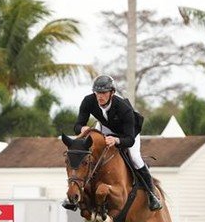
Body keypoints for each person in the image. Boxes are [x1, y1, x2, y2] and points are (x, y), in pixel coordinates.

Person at [66, 75, 162, 212]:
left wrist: (116, 140)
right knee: (86, 154)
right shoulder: (88, 101)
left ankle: (152, 195)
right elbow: (78, 125)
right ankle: (75, 191)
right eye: (97, 92)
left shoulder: (124, 108)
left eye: (104, 93)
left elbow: (129, 140)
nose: (100, 96)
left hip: (129, 133)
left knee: (135, 158)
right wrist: (82, 128)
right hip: (105, 128)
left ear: (112, 92)